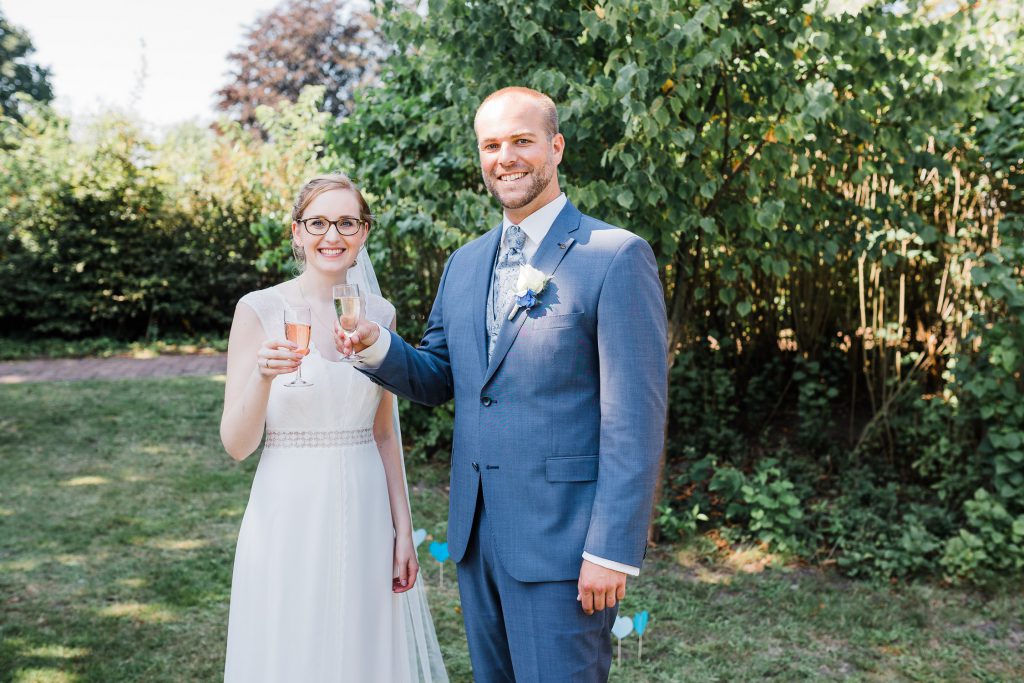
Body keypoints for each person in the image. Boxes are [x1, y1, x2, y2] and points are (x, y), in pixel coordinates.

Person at [341, 87, 668, 681]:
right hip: (476, 536)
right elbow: (442, 377)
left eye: (522, 140)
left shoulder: (615, 256)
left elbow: (635, 419)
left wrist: (611, 548)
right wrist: (376, 346)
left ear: (556, 147)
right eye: (492, 145)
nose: (506, 157)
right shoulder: (465, 263)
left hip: (565, 541)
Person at [219, 173, 447, 682]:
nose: (332, 235)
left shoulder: (379, 314)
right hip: (289, 509)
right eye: (318, 222)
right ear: (296, 232)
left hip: (366, 509)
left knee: (361, 647)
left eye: (347, 222)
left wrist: (403, 530)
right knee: (292, 646)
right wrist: (262, 375)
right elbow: (236, 445)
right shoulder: (259, 310)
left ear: (363, 232)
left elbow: (385, 433)